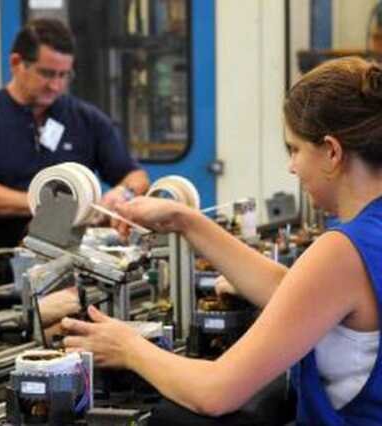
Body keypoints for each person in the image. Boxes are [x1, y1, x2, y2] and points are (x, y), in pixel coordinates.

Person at [61, 56, 382, 424]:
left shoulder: (343, 250)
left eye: (295, 149)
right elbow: (297, 293)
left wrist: (128, 348)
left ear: (332, 151)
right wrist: (186, 221)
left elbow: (215, 392)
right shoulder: (366, 235)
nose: (292, 166)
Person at [0, 18, 149, 283]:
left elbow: (136, 176)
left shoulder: (85, 119)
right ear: (17, 63)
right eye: (47, 73)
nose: (55, 85)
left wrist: (123, 193)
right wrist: (52, 206)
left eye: (64, 75)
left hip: (76, 269)